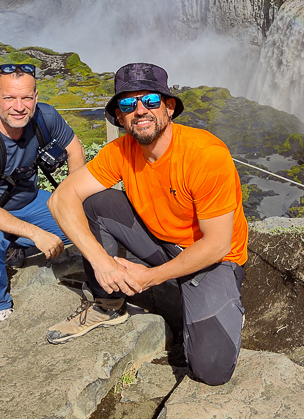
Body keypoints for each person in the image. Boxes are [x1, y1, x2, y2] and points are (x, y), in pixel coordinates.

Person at [46, 63, 248, 386]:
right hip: (160, 242)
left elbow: (218, 244)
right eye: (128, 104)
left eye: (150, 101)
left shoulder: (205, 155)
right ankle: (108, 303)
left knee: (211, 368)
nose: (140, 110)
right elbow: (60, 200)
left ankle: (221, 304)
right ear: (121, 118)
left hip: (214, 261)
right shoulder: (121, 151)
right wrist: (101, 263)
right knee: (92, 204)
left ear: (169, 107)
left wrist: (149, 278)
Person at [0, 63, 85, 335]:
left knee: (83, 224)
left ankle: (14, 246)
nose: (19, 106)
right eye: (9, 98)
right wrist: (37, 234)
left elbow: (75, 149)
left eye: (26, 98)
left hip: (27, 201)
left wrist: (75, 201)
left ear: (36, 98)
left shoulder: (45, 116)